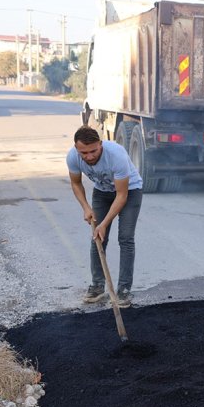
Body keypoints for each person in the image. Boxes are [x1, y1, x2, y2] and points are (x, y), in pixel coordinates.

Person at [67, 125, 143, 308]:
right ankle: (97, 286)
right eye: (84, 153)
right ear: (77, 149)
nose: (89, 156)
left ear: (100, 144)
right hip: (101, 192)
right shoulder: (72, 157)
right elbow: (76, 183)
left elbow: (121, 195)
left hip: (130, 191)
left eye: (93, 151)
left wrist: (104, 223)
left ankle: (124, 290)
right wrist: (86, 207)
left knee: (125, 238)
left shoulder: (116, 155)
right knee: (98, 239)